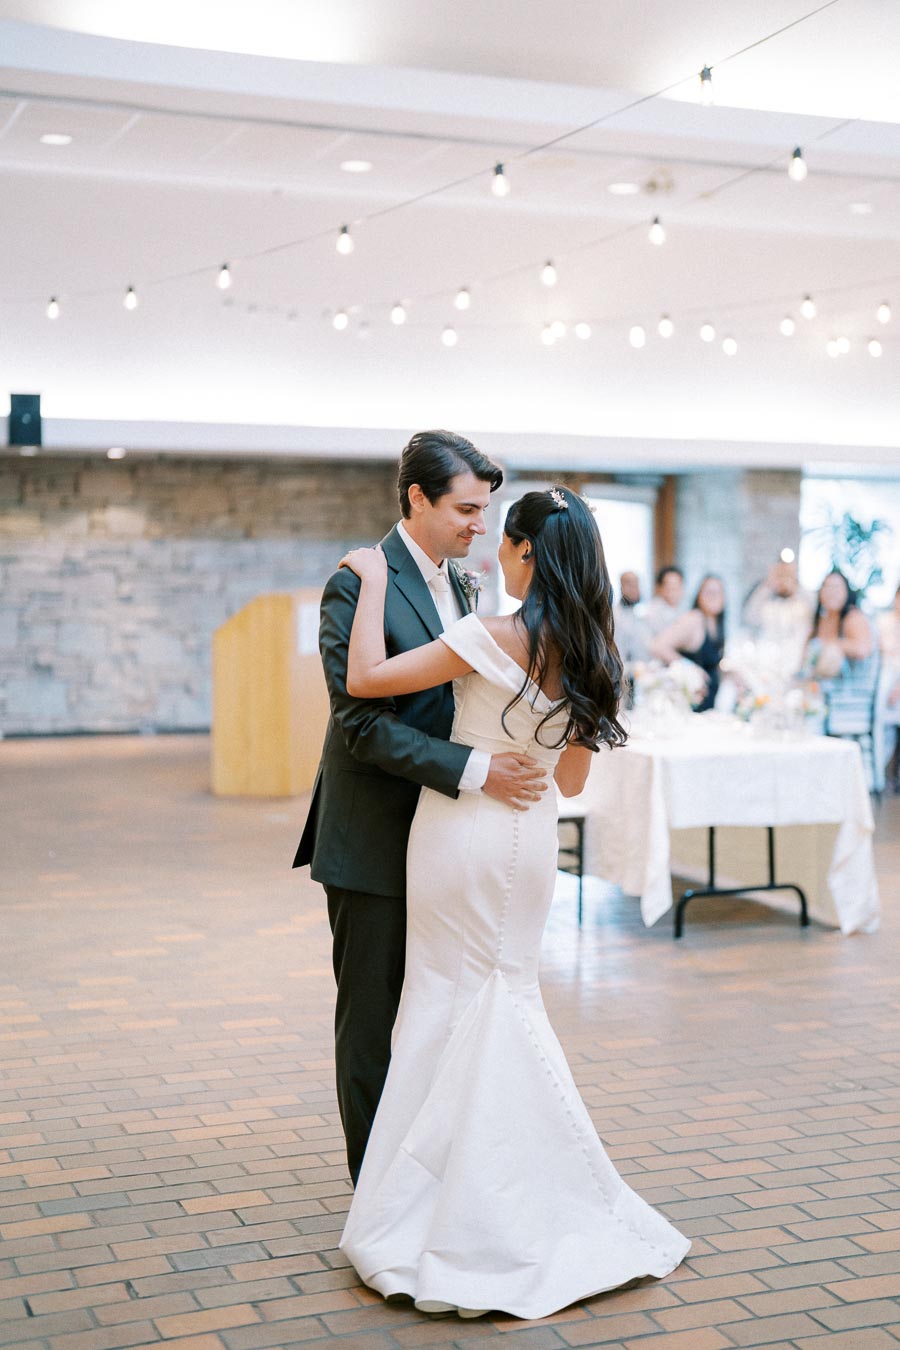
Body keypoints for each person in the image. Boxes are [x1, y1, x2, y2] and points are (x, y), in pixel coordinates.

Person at [336, 487, 690, 1320]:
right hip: (531, 841)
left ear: (529, 552)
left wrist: (372, 581)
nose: (493, 547)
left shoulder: (486, 635)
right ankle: (520, 1193)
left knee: (442, 1002)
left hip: (461, 834)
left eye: (505, 539)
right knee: (507, 999)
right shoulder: (595, 651)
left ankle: (444, 1211)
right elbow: (569, 779)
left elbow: (363, 679)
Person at [293, 431, 549, 1186]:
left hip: (447, 841)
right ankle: (374, 1192)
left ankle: (433, 1173)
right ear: (416, 499)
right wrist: (477, 770)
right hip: (375, 837)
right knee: (372, 1024)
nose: (481, 526)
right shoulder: (357, 582)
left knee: (440, 1012)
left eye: (487, 511)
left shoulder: (466, 584)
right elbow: (359, 722)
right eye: (467, 509)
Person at [650, 574, 726, 712]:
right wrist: (690, 668)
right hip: (688, 709)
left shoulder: (717, 624)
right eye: (709, 592)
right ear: (699, 596)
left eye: (718, 592)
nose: (713, 597)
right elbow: (657, 646)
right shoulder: (694, 619)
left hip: (707, 709)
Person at [742, 559, 813, 674]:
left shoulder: (802, 604)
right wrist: (769, 583)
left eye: (787, 575)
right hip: (766, 665)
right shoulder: (766, 603)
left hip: (795, 665)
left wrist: (796, 584)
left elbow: (813, 614)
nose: (783, 579)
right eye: (780, 575)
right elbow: (749, 617)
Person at [802, 569, 874, 682]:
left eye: (836, 588)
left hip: (849, 691)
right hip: (817, 686)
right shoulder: (821, 619)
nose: (832, 592)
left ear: (846, 592)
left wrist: (833, 644)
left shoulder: (853, 617)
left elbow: (863, 649)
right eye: (827, 587)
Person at [613, 569, 649, 666]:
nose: (635, 590)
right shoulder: (615, 616)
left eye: (636, 585)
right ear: (621, 587)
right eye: (630, 585)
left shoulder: (643, 612)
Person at [643, 564, 685, 638]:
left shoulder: (684, 608)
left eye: (677, 585)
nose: (673, 590)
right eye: (669, 586)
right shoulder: (652, 612)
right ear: (659, 588)